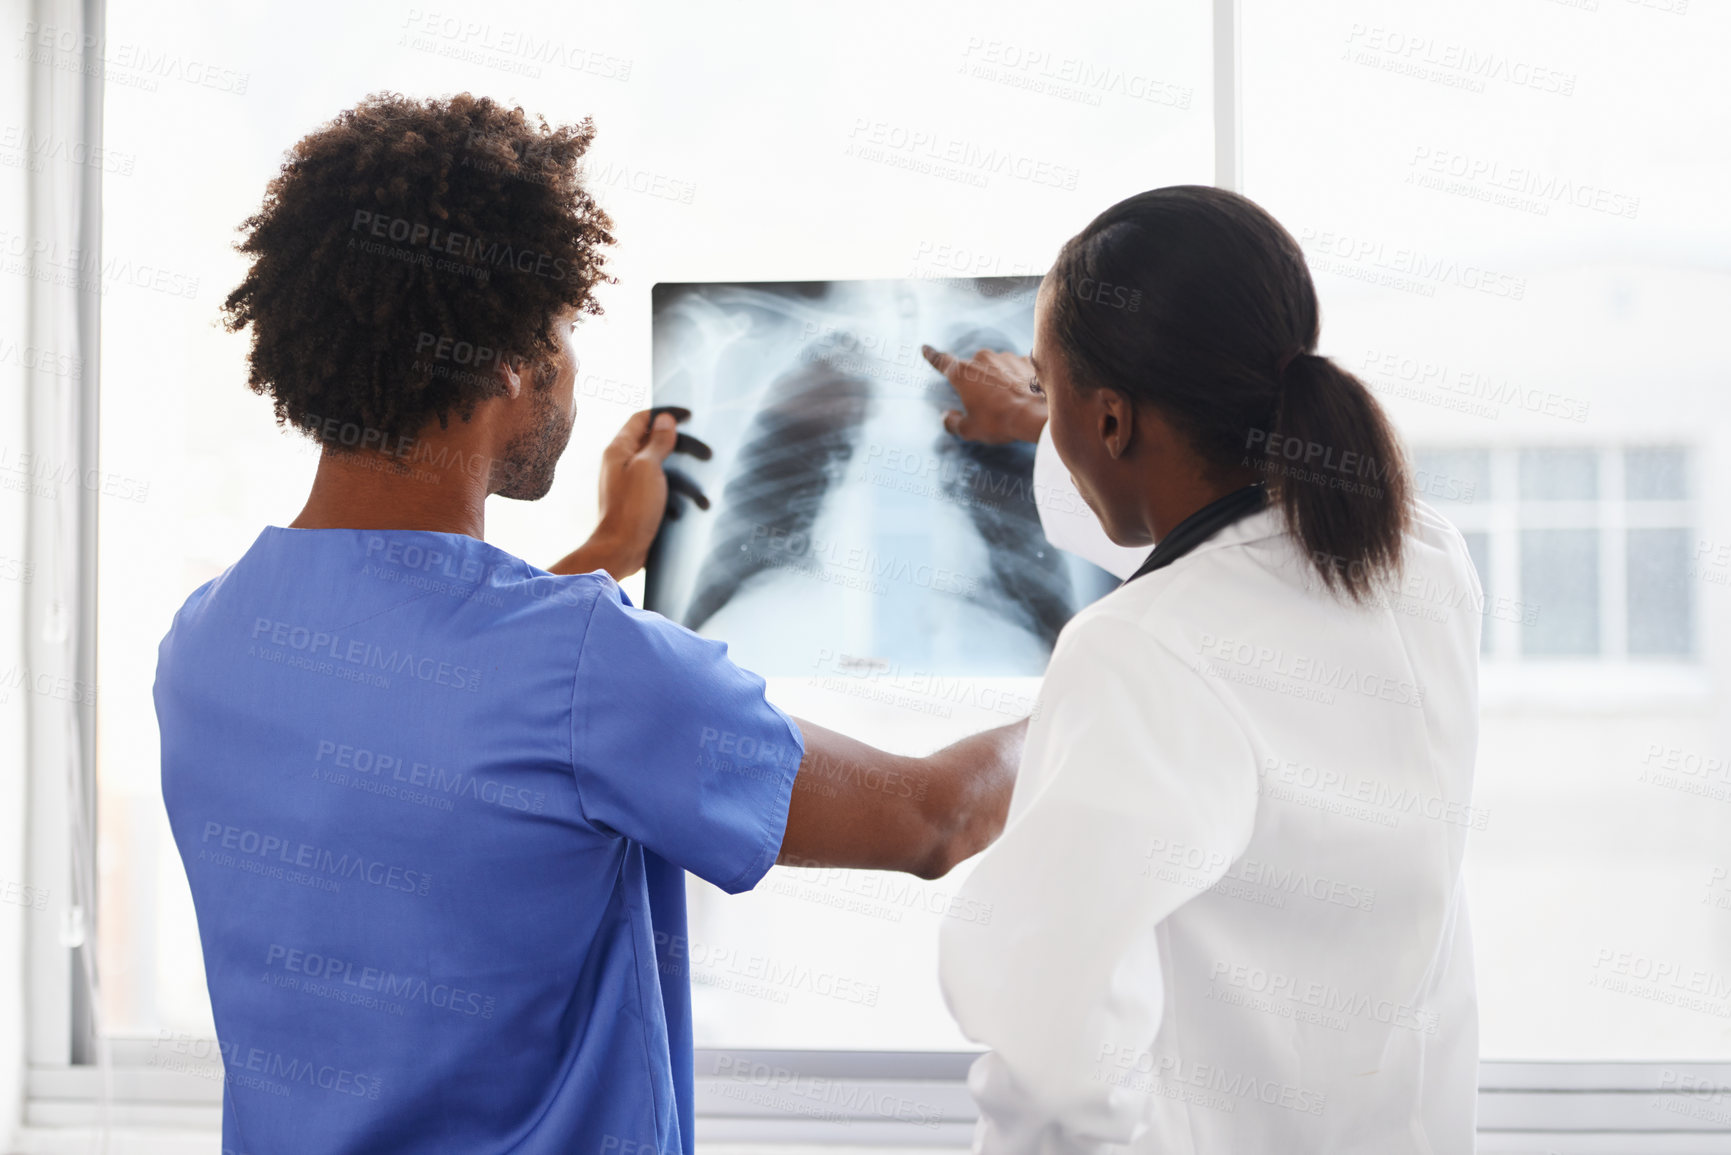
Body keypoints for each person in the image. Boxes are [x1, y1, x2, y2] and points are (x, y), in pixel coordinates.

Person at [155, 93, 1024, 1155]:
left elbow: (432, 690)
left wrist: (609, 552)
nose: (572, 366)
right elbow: (934, 820)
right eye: (564, 331)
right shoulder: (584, 665)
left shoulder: (206, 644)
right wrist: (1112, 671)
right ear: (516, 361)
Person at [924, 186, 1480, 1153]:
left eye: (1054, 393)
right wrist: (1038, 422)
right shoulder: (1423, 561)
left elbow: (1058, 1080)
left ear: (1110, 421)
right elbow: (1220, 554)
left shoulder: (1138, 651)